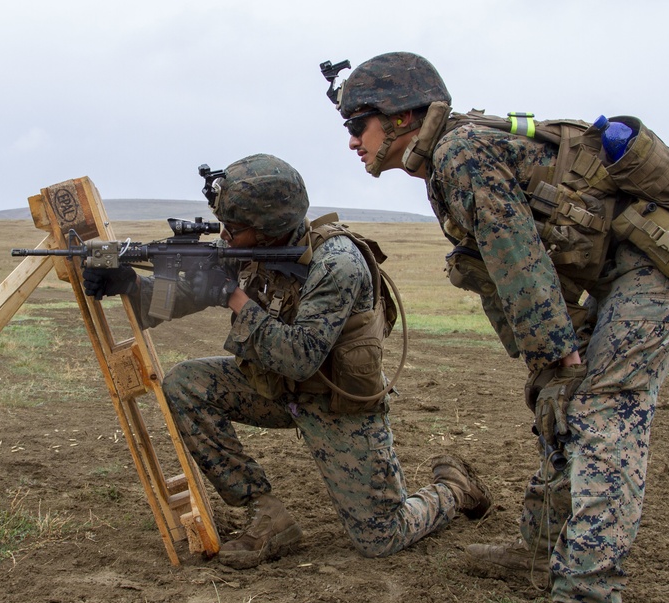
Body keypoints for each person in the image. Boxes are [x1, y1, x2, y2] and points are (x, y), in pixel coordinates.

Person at [322, 52, 669, 603]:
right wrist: (548, 363)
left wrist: (555, 356)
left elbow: (518, 259)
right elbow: (500, 263)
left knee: (602, 413)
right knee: (557, 404)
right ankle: (539, 551)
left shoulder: (459, 154)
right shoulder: (446, 160)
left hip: (658, 265)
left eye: (359, 125)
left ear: (401, 117)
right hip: (613, 274)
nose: (352, 142)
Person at [82, 153, 491, 570]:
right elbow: (187, 295)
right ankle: (266, 513)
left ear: (269, 228)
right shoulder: (249, 248)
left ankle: (453, 489)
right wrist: (132, 284)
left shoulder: (337, 263)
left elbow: (301, 357)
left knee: (381, 537)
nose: (225, 235)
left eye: (235, 229)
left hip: (338, 401)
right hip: (276, 390)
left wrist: (232, 297)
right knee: (186, 384)